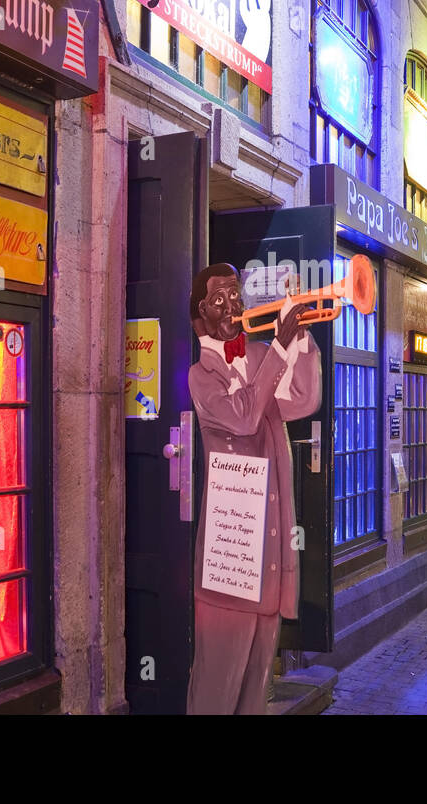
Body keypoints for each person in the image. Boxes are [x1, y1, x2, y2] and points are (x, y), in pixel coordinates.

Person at [185, 262, 323, 715]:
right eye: (219, 299)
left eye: (235, 295)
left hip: (268, 558)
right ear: (200, 313)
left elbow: (303, 399)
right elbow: (244, 419)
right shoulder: (200, 376)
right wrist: (279, 348)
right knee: (216, 692)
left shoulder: (263, 356)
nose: (233, 306)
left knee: (254, 695)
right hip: (230, 558)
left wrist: (298, 335)